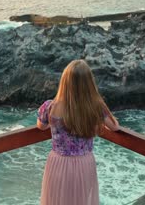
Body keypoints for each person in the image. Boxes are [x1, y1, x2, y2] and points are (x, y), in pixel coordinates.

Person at [36, 60, 120, 205]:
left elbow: (41, 126)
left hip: (58, 162)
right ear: (89, 84)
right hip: (84, 163)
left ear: (64, 82)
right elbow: (115, 127)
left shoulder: (49, 106)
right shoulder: (96, 106)